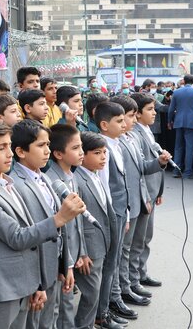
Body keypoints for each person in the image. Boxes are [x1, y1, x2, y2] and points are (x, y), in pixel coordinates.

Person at [0, 120, 85, 329]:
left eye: (8, 146)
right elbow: (18, 236)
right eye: (1, 148)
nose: (9, 154)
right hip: (7, 286)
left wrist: (52, 272)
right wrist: (59, 218)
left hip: (31, 279)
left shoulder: (8, 183)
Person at [108, 95, 169, 322]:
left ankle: (131, 282)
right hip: (126, 206)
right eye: (129, 117)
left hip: (140, 199)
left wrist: (160, 163)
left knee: (136, 244)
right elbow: (117, 182)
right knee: (123, 251)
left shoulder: (131, 138)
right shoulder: (112, 144)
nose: (131, 121)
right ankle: (122, 290)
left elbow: (141, 171)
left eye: (133, 116)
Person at [9, 120, 69, 328]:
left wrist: (64, 263)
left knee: (50, 318)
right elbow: (26, 237)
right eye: (41, 145)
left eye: (48, 145)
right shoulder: (15, 184)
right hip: (36, 274)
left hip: (53, 266)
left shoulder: (44, 177)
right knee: (35, 323)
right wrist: (37, 282)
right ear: (21, 151)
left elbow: (61, 227)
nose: (47, 151)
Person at [71, 131, 118, 329]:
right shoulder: (78, 181)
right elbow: (75, 221)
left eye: (105, 153)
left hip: (102, 241)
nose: (103, 157)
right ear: (83, 154)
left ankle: (91, 322)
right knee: (91, 293)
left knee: (95, 291)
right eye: (97, 153)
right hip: (90, 247)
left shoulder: (95, 175)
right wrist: (82, 251)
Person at [45, 124, 87, 329]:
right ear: (59, 153)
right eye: (76, 148)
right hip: (62, 259)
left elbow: (78, 222)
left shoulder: (72, 176)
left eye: (81, 147)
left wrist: (83, 252)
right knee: (61, 308)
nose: (81, 152)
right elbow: (61, 229)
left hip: (74, 254)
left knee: (67, 304)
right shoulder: (53, 182)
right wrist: (67, 262)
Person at [129, 93, 166, 294]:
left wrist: (159, 190)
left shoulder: (147, 131)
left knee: (146, 238)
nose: (154, 113)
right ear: (137, 113)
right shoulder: (136, 134)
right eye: (150, 109)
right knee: (138, 240)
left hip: (152, 192)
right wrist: (146, 196)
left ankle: (141, 273)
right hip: (143, 196)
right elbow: (140, 170)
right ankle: (133, 280)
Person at [167, 74, 193, 178]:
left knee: (178, 147)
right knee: (190, 147)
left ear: (184, 81)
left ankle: (176, 170)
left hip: (178, 121)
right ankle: (188, 172)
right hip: (191, 122)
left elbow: (171, 109)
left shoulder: (177, 91)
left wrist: (169, 121)